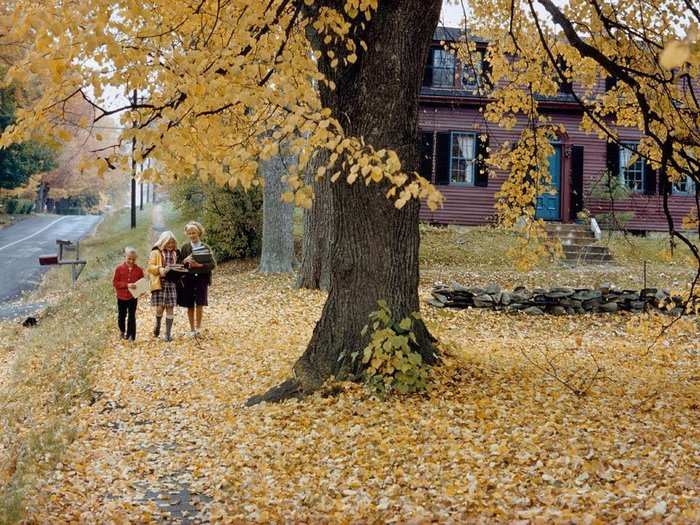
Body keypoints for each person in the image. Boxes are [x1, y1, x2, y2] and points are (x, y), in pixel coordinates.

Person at [178, 221, 216, 337]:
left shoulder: (205, 247)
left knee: (200, 303)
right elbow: (179, 264)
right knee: (190, 304)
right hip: (188, 280)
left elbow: (212, 264)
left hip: (202, 279)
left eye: (193, 232)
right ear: (186, 234)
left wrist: (199, 266)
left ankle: (198, 328)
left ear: (199, 232)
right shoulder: (185, 247)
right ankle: (192, 329)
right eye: (189, 233)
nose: (192, 235)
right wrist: (185, 261)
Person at [148, 231, 180, 342]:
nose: (171, 245)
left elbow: (179, 266)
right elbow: (150, 267)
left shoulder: (176, 253)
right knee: (160, 308)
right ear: (163, 242)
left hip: (171, 283)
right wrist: (160, 269)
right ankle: (157, 324)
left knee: (170, 307)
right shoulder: (156, 252)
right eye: (168, 243)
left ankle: (168, 334)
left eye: (172, 243)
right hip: (160, 283)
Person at [112, 247, 144, 341]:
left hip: (132, 296)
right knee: (122, 316)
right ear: (125, 257)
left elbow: (141, 282)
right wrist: (127, 285)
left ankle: (131, 335)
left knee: (131, 315)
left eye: (133, 259)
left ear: (136, 259)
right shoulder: (119, 269)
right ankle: (122, 331)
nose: (131, 261)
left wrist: (140, 290)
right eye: (129, 258)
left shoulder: (139, 270)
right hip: (121, 296)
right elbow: (115, 283)